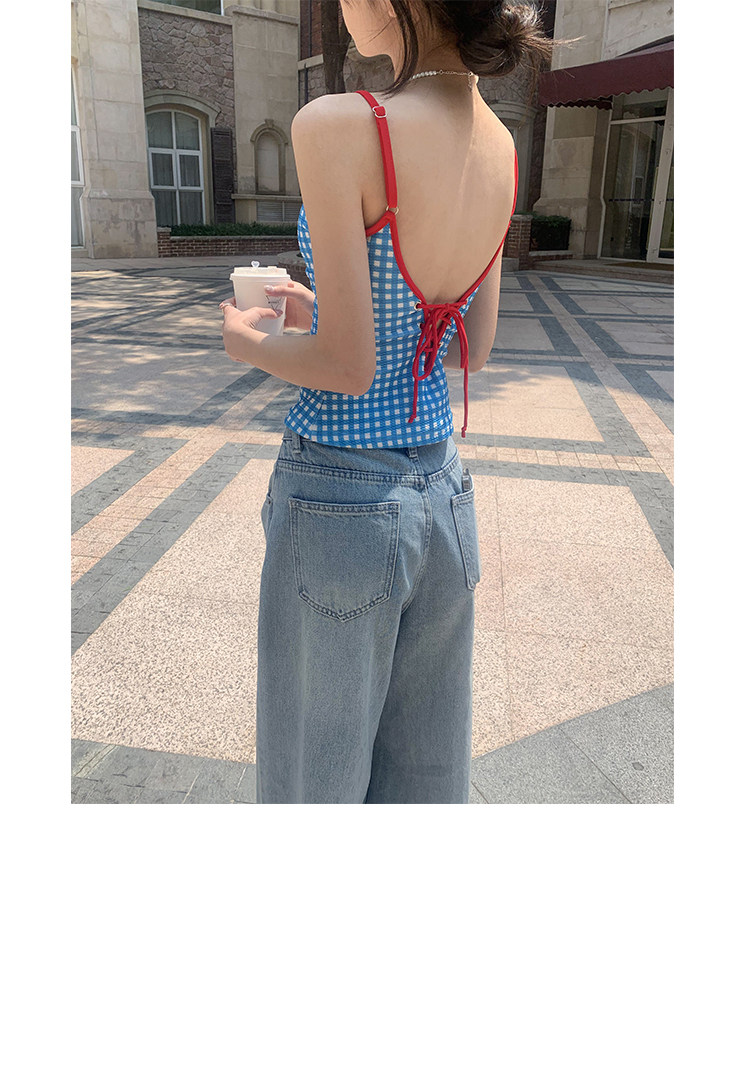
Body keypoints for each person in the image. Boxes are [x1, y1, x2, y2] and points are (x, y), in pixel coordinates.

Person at [219, 0, 552, 803]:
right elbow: (468, 346)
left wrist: (247, 342)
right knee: (425, 781)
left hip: (339, 497)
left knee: (313, 783)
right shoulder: (501, 144)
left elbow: (346, 366)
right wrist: (327, 310)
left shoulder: (341, 124)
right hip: (446, 495)